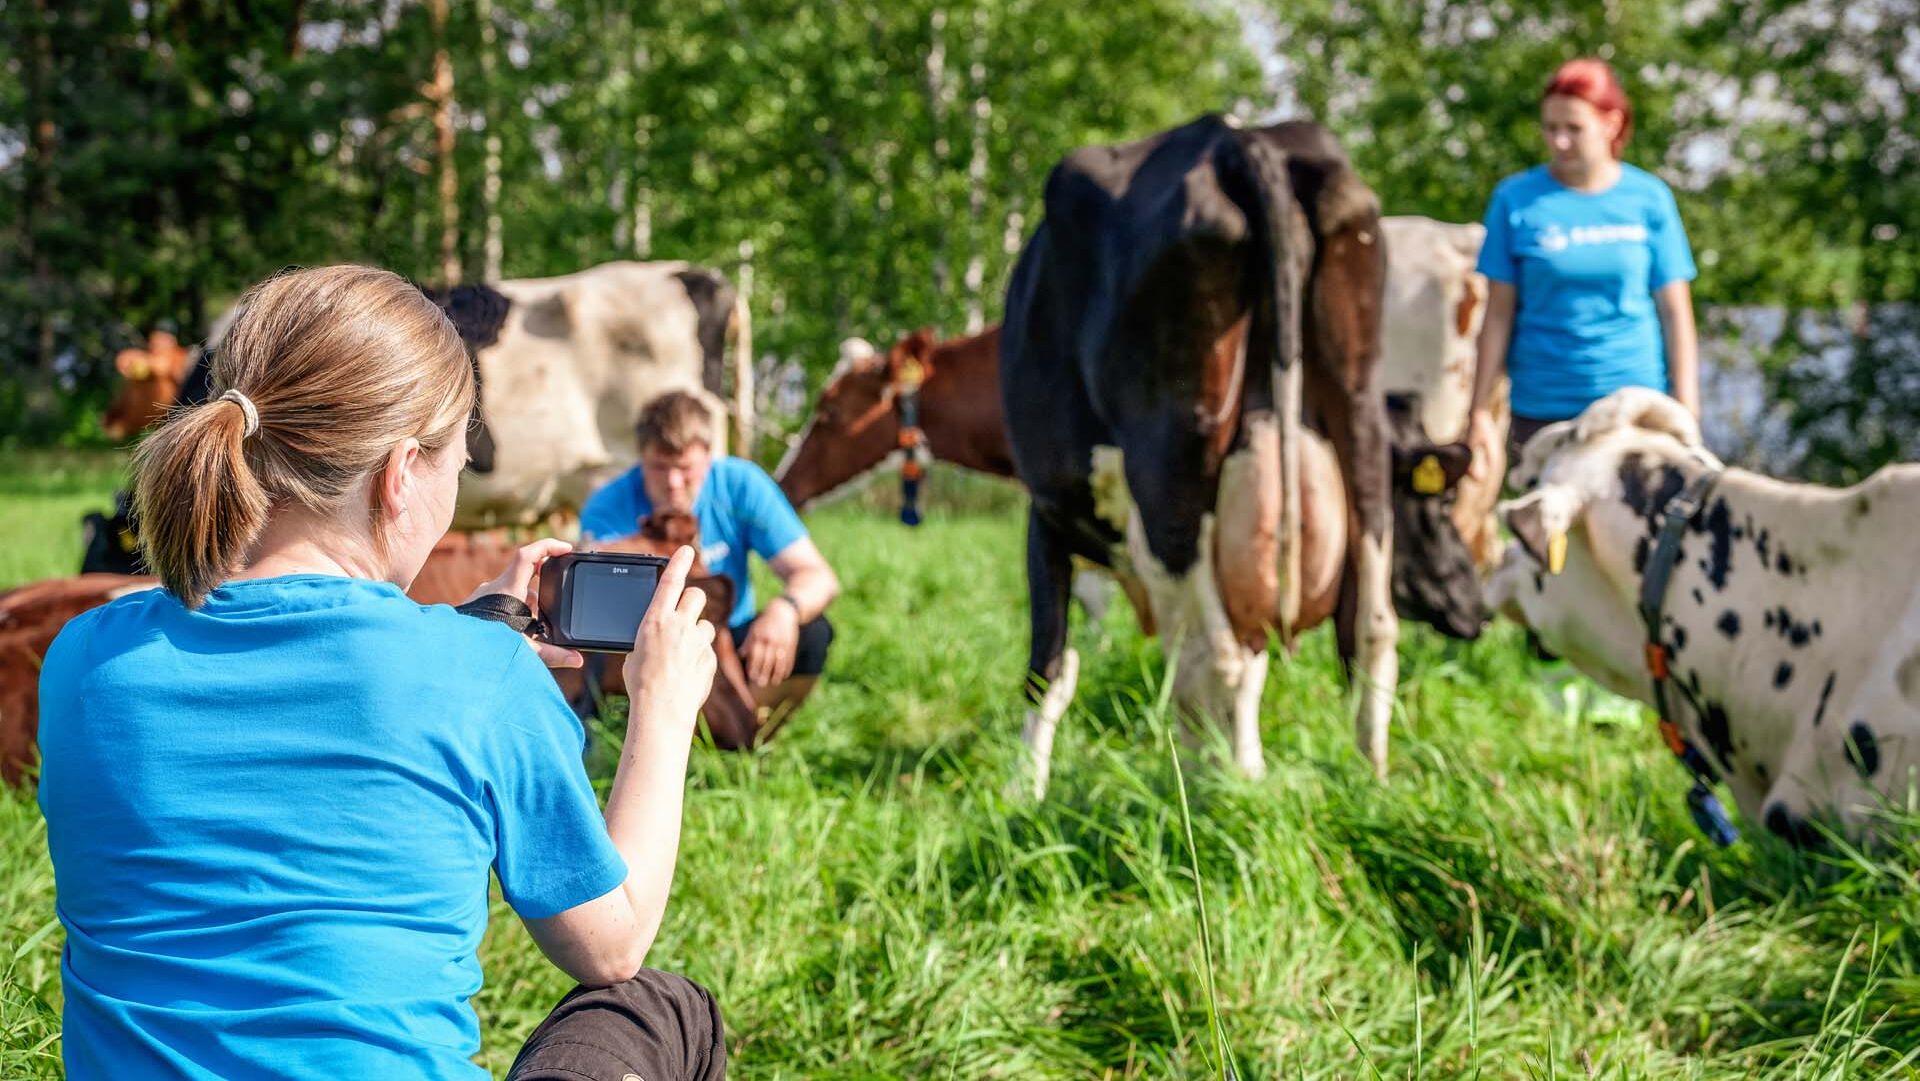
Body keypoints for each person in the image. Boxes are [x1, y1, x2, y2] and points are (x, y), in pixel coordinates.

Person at [38, 265, 727, 1080]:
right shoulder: (478, 676)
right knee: (660, 1004)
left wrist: (458, 643)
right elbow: (610, 944)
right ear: (401, 473)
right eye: (458, 459)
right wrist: (662, 705)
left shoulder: (82, 657)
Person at [1466, 56, 1702, 478]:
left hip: (1634, 410)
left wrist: (1686, 412)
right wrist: (1479, 411)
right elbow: (1497, 314)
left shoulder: (1649, 199)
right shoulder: (1515, 200)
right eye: (1550, 128)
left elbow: (1676, 313)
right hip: (1545, 413)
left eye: (1573, 128)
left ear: (1611, 124)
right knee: (1549, 540)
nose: (1559, 141)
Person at [580, 390, 840, 730]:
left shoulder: (741, 484)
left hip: (729, 639)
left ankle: (746, 733)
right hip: (643, 645)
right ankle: (622, 731)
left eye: (685, 469)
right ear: (640, 457)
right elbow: (594, 606)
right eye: (660, 468)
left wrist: (785, 609)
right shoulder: (607, 507)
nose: (674, 484)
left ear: (708, 456)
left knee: (814, 632)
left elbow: (818, 576)